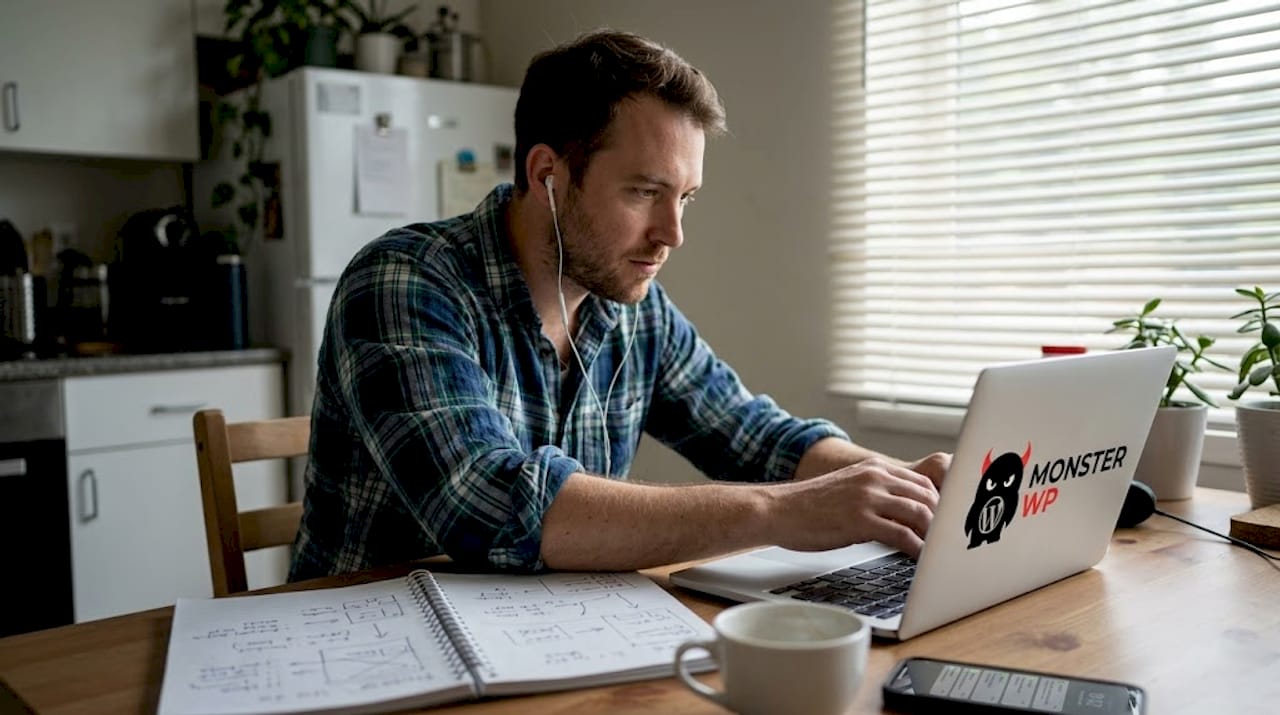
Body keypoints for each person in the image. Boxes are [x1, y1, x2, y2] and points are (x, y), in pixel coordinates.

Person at [289, 30, 950, 581]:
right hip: (366, 656)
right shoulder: (405, 282)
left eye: (684, 198)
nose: (673, 233)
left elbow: (756, 436)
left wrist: (902, 485)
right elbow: (490, 506)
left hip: (543, 644)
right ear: (548, 174)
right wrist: (779, 511)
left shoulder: (635, 311)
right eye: (644, 192)